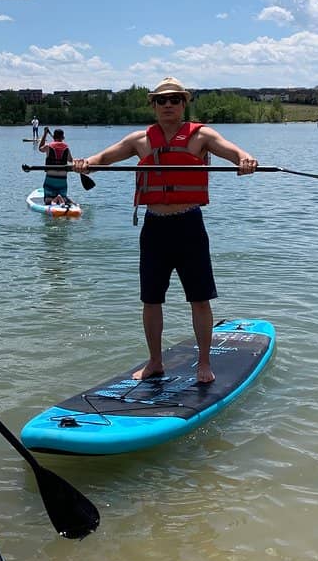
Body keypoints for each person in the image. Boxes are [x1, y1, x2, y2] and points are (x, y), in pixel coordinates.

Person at [73, 76, 257, 385]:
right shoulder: (140, 140)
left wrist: (245, 160)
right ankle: (155, 362)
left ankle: (204, 362)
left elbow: (233, 152)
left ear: (184, 104)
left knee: (199, 299)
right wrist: (85, 163)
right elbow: (103, 158)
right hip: (154, 228)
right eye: (162, 100)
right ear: (154, 105)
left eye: (174, 99)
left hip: (189, 226)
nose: (168, 104)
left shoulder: (202, 136)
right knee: (151, 299)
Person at [38, 127, 73, 206]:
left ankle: (56, 198)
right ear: (63, 137)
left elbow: (40, 148)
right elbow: (70, 160)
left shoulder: (48, 146)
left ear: (54, 137)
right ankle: (62, 198)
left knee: (47, 201)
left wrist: (45, 134)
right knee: (64, 199)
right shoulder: (66, 147)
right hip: (62, 179)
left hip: (51, 178)